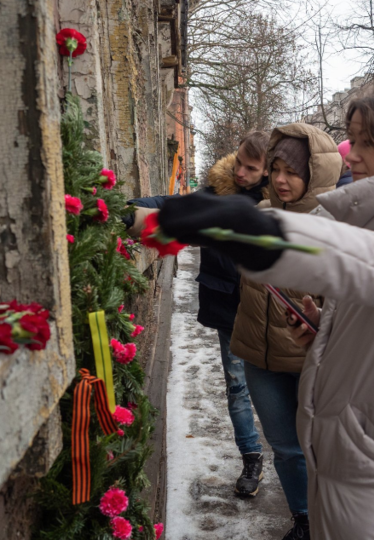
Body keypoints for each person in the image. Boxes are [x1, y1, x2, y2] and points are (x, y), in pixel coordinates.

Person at [157, 83, 374, 539]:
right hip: (358, 456)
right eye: (353, 140)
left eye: (368, 143)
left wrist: (259, 235)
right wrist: (328, 330)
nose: (353, 155)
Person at [121, 132, 269, 496]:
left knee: (279, 391)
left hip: (270, 313)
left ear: (268, 171)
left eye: (252, 168)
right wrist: (126, 208)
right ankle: (251, 457)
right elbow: (173, 205)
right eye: (239, 163)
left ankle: (295, 465)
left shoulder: (280, 202)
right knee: (238, 388)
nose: (242, 173)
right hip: (228, 309)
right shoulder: (218, 193)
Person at [229, 124, 340, 539]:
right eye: (275, 169)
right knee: (286, 449)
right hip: (260, 358)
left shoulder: (337, 226)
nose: (279, 179)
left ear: (316, 173)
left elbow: (349, 299)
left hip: (311, 358)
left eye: (292, 172)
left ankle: (332, 521)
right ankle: (303, 519)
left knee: (324, 449)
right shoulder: (258, 216)